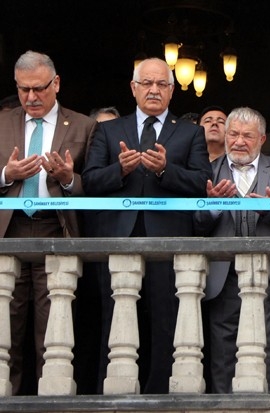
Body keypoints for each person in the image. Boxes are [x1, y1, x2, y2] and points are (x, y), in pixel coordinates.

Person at [82, 57, 212, 394]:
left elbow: (202, 183)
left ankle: (160, 394)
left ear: (171, 90)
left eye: (161, 84)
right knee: (115, 320)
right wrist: (120, 170)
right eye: (147, 84)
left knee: (164, 320)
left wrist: (166, 171)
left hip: (168, 240)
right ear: (133, 88)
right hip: (117, 238)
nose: (154, 90)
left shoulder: (190, 132)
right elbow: (91, 181)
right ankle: (110, 393)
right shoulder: (108, 130)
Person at [0, 50, 97, 394]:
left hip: (56, 230)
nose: (31, 97)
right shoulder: (2, 121)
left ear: (56, 84)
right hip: (8, 233)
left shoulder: (84, 126)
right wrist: (4, 174)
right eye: (23, 89)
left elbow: (99, 186)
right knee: (5, 330)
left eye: (39, 88)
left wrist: (70, 179)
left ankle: (50, 399)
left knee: (53, 331)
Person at [195, 106, 270, 393]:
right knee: (223, 348)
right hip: (225, 276)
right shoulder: (207, 171)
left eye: (247, 136)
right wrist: (212, 208)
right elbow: (193, 225)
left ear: (261, 139)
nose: (239, 141)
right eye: (233, 134)